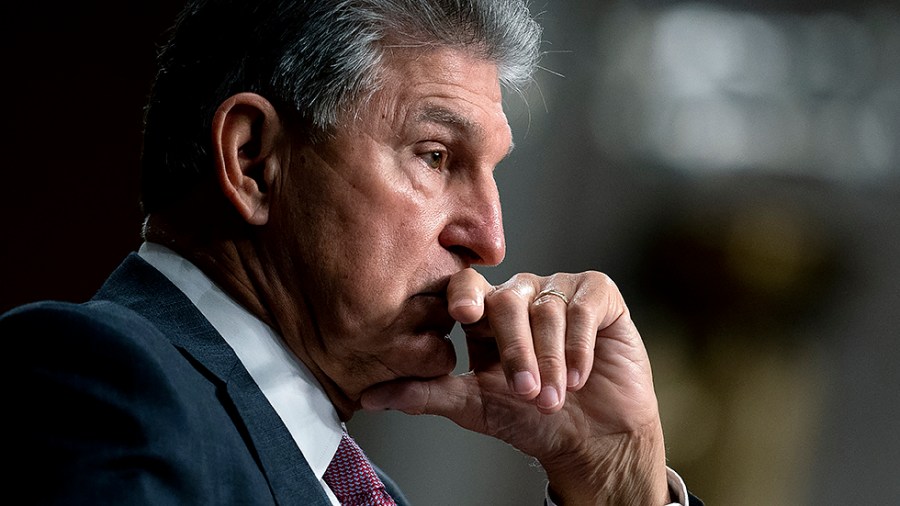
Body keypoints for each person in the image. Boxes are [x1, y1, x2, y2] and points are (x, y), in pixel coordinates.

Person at [4, 0, 703, 504]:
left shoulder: (360, 490)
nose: (489, 238)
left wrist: (616, 484)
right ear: (253, 161)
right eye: (435, 156)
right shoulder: (96, 379)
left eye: (491, 173)